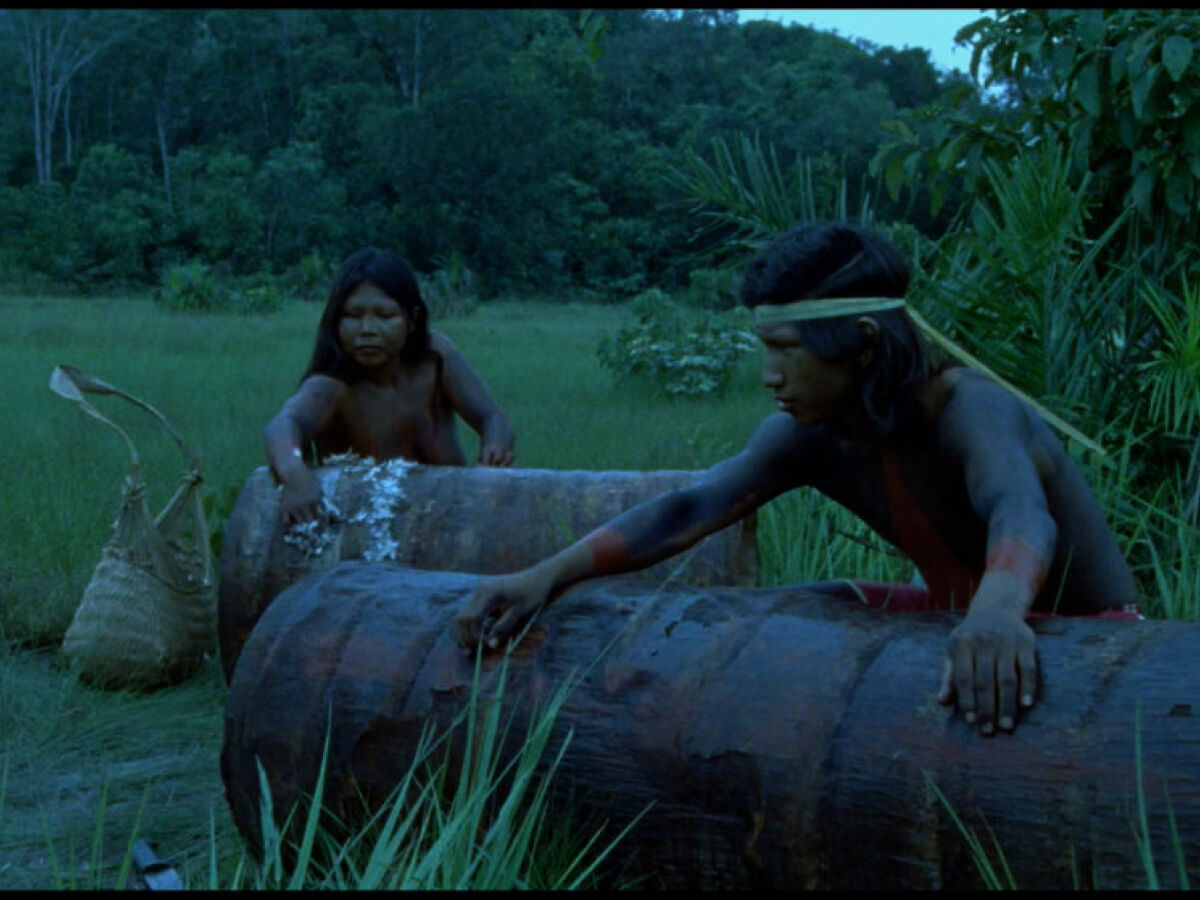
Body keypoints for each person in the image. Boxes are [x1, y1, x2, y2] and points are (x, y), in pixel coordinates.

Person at [452, 220, 1140, 738]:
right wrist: (545, 573)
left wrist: (996, 613)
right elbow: (690, 507)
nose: (770, 376)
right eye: (765, 349)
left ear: (863, 342)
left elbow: (1021, 514)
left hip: (1085, 636)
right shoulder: (812, 435)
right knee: (788, 610)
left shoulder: (968, 408)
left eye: (787, 350)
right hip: (961, 618)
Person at [265, 246, 515, 525]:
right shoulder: (332, 387)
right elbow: (283, 426)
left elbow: (493, 417)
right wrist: (294, 474)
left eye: (385, 316)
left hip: (450, 524)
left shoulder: (435, 358)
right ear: (335, 322)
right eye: (353, 315)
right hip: (373, 543)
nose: (367, 329)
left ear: (411, 320)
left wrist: (493, 455)